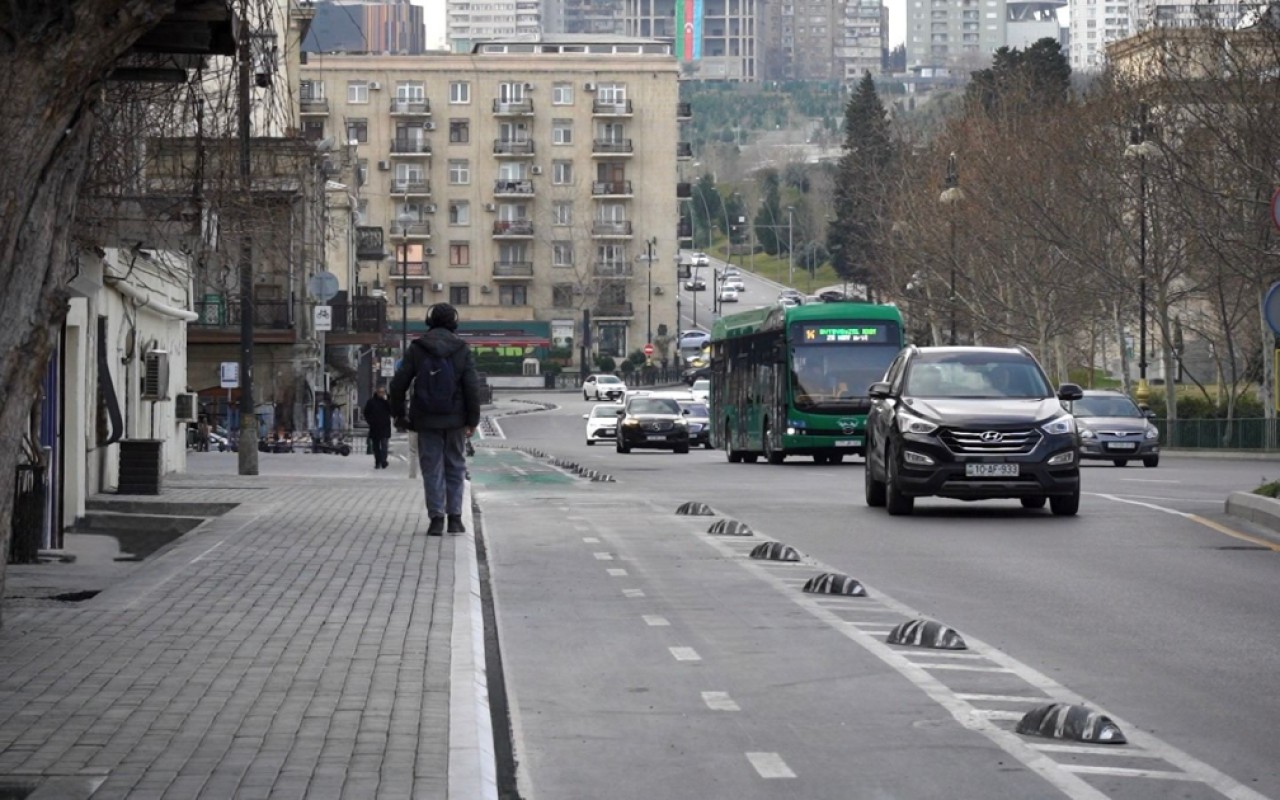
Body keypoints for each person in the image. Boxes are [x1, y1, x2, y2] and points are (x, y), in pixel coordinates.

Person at [390, 303, 481, 536]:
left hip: (426, 419)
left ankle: (436, 520)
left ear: (429, 320)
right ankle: (456, 519)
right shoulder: (462, 349)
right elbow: (471, 386)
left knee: (432, 468)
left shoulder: (418, 348)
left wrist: (399, 414)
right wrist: (473, 420)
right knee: (456, 466)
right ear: (454, 322)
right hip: (455, 420)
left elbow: (398, 383)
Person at [363, 386, 393, 469]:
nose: (381, 394)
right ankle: (377, 461)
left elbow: (392, 411)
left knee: (384, 445)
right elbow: (366, 413)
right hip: (375, 427)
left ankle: (383, 461)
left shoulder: (386, 402)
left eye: (383, 392)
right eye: (380, 392)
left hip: (385, 427)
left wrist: (387, 401)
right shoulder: (371, 402)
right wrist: (370, 421)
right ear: (376, 392)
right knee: (376, 446)